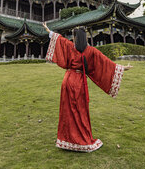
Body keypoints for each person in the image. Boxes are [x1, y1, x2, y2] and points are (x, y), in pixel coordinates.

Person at [43, 23, 133, 152]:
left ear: (75, 37)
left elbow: (57, 39)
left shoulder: (70, 46)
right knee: (80, 111)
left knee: (68, 110)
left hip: (67, 81)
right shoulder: (90, 51)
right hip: (78, 82)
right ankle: (80, 140)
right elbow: (106, 63)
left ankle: (67, 140)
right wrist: (123, 68)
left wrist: (48, 30)